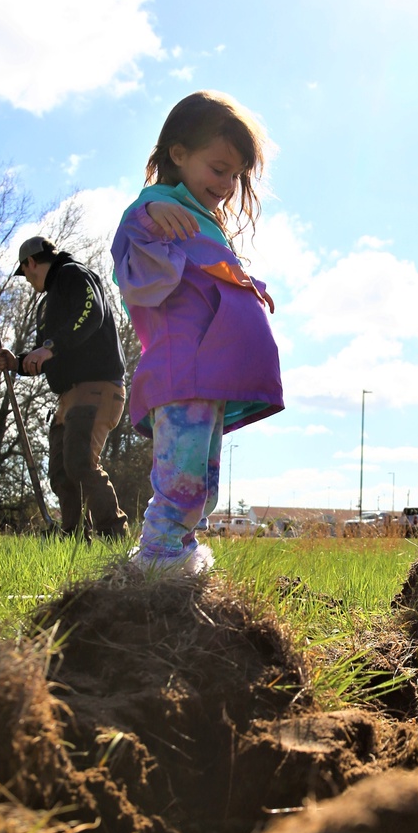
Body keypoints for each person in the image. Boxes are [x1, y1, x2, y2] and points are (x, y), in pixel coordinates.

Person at [110, 90, 283, 573]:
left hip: (207, 375)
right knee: (181, 479)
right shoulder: (160, 208)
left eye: (235, 175)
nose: (227, 183)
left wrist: (247, 289)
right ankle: (159, 561)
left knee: (201, 483)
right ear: (179, 154)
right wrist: (145, 211)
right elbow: (130, 242)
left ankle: (174, 553)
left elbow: (204, 270)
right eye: (218, 168)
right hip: (183, 369)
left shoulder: (202, 219)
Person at [0, 236, 129, 541]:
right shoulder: (49, 302)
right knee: (60, 470)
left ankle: (114, 535)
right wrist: (16, 362)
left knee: (80, 462)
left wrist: (51, 346)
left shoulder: (73, 274)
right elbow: (44, 355)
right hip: (68, 396)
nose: (28, 280)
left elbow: (90, 313)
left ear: (30, 263)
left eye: (25, 272)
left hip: (97, 386)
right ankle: (74, 536)